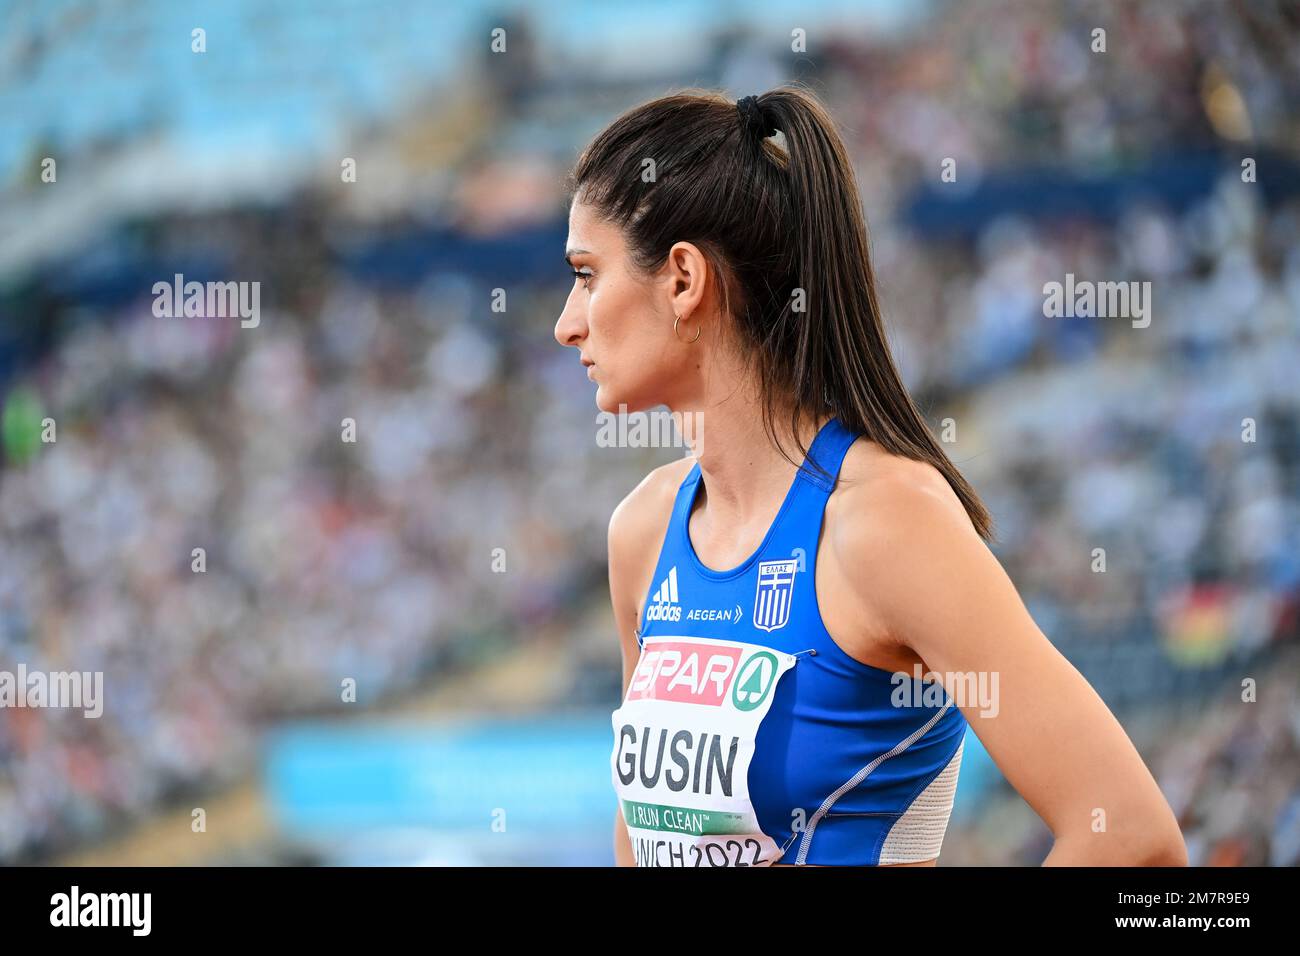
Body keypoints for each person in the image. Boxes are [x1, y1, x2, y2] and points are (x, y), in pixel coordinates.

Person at [554, 85, 1187, 868]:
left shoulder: (887, 521)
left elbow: (1128, 834)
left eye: (586, 275)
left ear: (683, 278)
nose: (566, 322)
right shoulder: (643, 533)